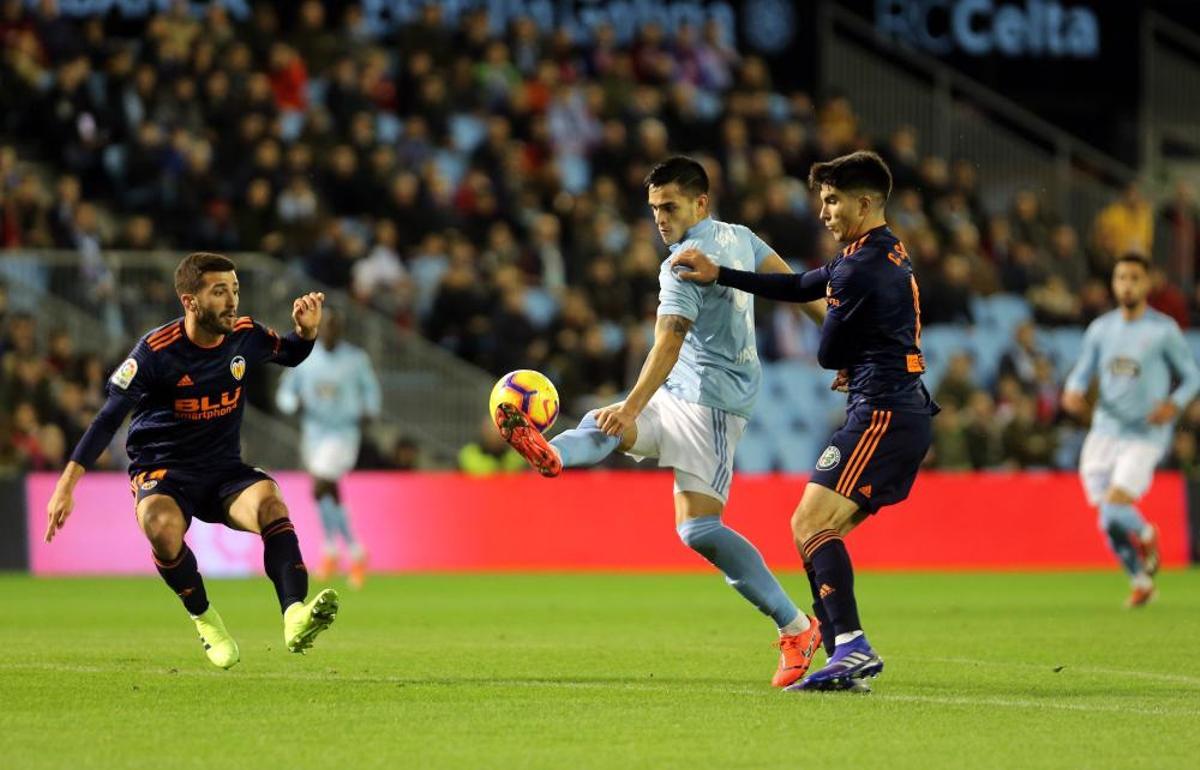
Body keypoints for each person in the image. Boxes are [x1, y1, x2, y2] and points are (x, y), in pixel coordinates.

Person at [495, 155, 827, 688]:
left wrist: (631, 404)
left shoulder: (683, 265)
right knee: (606, 423)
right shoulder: (740, 237)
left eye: (669, 206)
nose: (660, 218)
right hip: (680, 391)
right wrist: (839, 342)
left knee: (699, 528)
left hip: (714, 404)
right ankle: (553, 453)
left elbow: (669, 339)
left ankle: (797, 627)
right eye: (653, 208)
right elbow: (798, 288)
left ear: (701, 203)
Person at [671, 150, 938, 692]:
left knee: (811, 525)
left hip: (882, 411)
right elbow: (798, 288)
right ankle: (844, 655)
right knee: (812, 529)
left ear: (865, 203)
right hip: (893, 407)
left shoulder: (858, 267)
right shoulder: (880, 252)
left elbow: (827, 350)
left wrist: (845, 339)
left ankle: (852, 647)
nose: (824, 212)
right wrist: (721, 275)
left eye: (834, 200)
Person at [44, 252, 339, 669]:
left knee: (272, 504)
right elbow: (108, 419)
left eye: (235, 289)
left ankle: (295, 614)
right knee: (160, 527)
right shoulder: (155, 352)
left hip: (223, 472)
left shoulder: (245, 335)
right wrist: (66, 486)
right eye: (219, 292)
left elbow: (288, 353)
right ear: (190, 301)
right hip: (164, 473)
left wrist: (306, 334)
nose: (232, 301)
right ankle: (206, 620)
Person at [1062, 253, 1200, 607]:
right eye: (1121, 277)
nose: (1127, 285)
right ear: (1113, 283)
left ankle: (1147, 533)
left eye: (1134, 278)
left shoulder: (1163, 330)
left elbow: (1192, 376)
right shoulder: (1101, 329)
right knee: (1108, 520)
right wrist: (1073, 390)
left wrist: (1174, 404)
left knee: (1115, 507)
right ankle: (1141, 581)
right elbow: (1083, 370)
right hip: (1104, 431)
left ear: (1147, 283)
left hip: (1144, 434)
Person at [276, 306, 381, 588]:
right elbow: (286, 391)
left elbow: (370, 389)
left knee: (320, 485)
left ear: (341, 329)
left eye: (335, 325)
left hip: (343, 432)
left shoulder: (356, 359)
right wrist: (292, 403)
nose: (331, 330)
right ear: (320, 328)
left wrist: (369, 410)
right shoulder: (306, 358)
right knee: (328, 492)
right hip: (314, 433)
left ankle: (333, 549)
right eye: (327, 325)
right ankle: (351, 551)